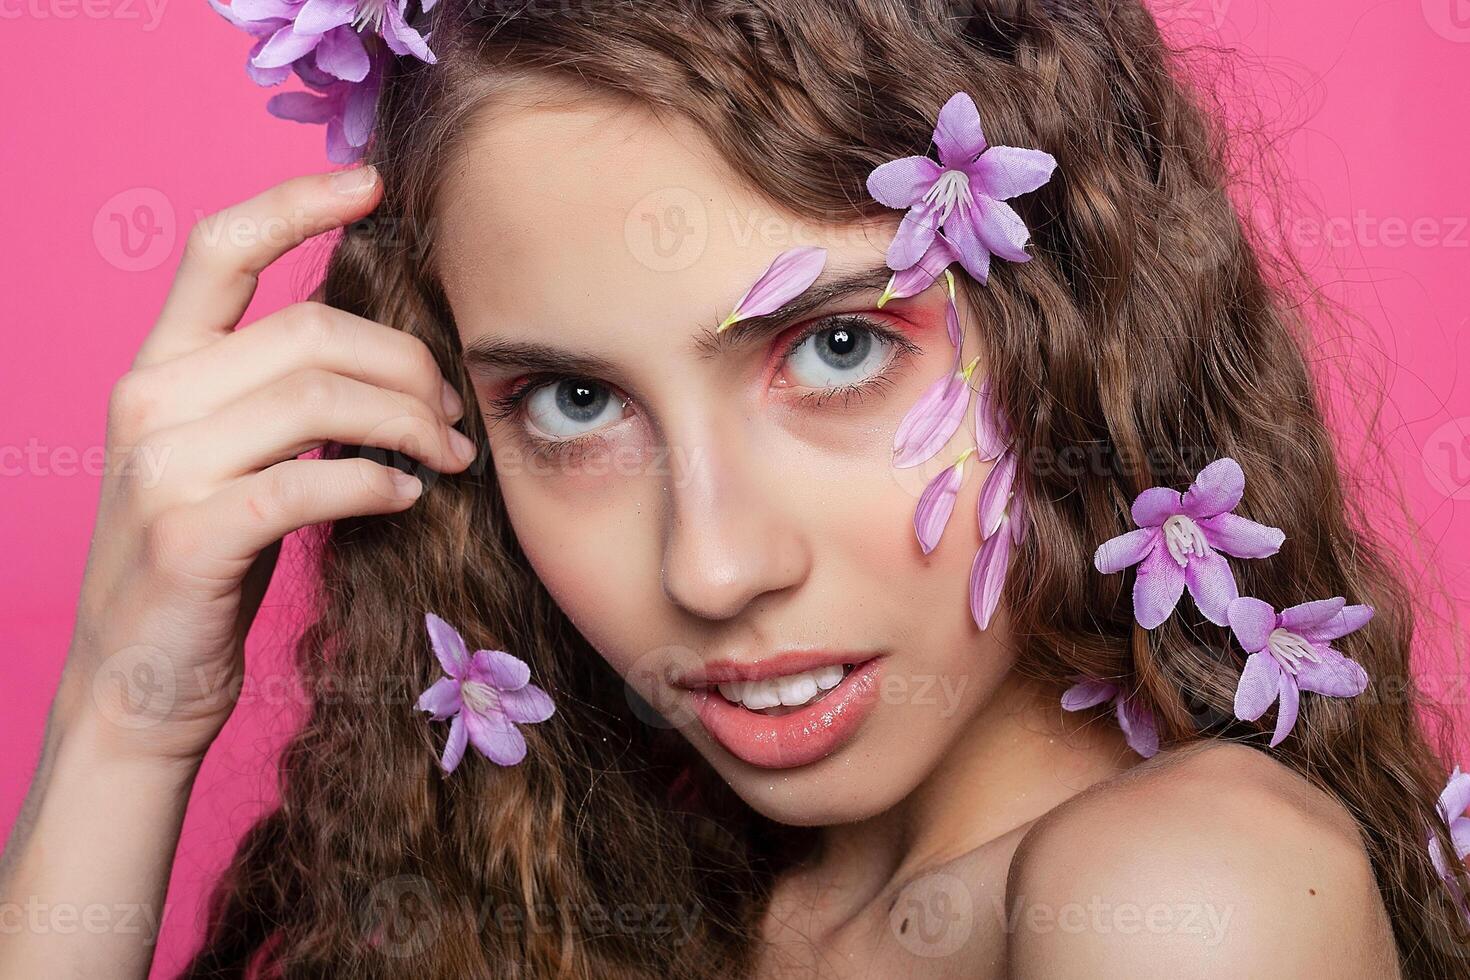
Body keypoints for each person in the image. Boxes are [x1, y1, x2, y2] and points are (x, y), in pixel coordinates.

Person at [3, 1, 1466, 976]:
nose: (709, 568)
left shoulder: (1183, 889)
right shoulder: (610, 889)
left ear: (1081, 332)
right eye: (571, 402)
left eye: (837, 348)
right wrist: (127, 718)